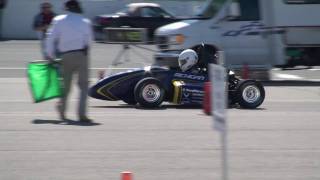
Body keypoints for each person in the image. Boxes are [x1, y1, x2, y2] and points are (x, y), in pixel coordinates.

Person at [45, 0, 93, 122]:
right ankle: (82, 114)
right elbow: (89, 41)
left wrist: (50, 55)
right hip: (82, 55)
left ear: (66, 8)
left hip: (65, 56)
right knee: (83, 86)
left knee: (65, 86)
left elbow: (50, 38)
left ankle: (62, 111)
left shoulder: (59, 20)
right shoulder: (85, 21)